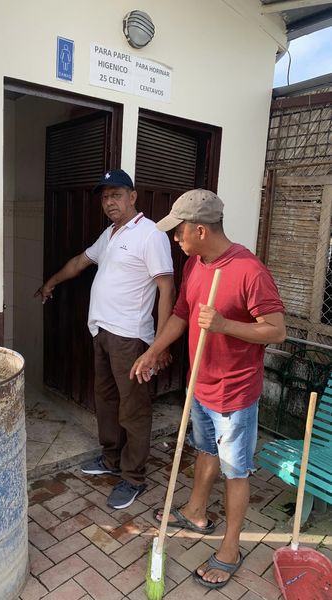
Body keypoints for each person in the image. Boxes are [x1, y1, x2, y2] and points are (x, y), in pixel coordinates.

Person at [131, 189, 286, 590]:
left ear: (200, 230)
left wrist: (224, 325)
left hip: (234, 392)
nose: (175, 238)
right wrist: (153, 351)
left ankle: (230, 549)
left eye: (179, 230)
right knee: (204, 449)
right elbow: (182, 314)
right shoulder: (195, 264)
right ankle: (196, 512)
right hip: (200, 383)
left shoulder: (249, 270)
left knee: (236, 470)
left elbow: (276, 331)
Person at [35, 169, 175, 509]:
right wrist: (51, 282)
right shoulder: (110, 234)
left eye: (116, 195)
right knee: (107, 401)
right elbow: (79, 263)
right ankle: (112, 458)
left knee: (134, 408)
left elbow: (167, 288)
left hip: (131, 338)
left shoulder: (150, 234)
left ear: (133, 196)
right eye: (105, 197)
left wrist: (159, 345)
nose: (110, 202)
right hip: (102, 332)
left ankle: (134, 477)